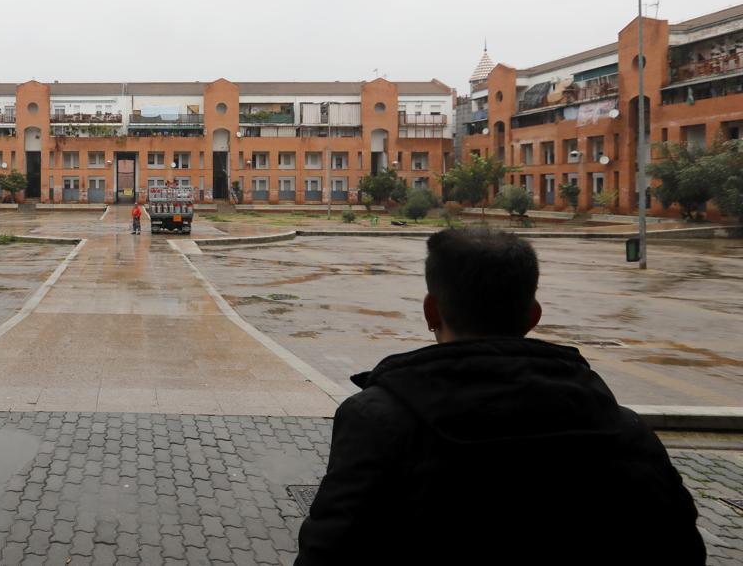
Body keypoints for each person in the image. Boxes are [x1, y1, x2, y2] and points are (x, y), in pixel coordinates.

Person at [296, 228, 705, 565]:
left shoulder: (377, 421)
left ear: (431, 312)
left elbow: (329, 552)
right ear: (533, 315)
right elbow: (681, 550)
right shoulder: (623, 428)